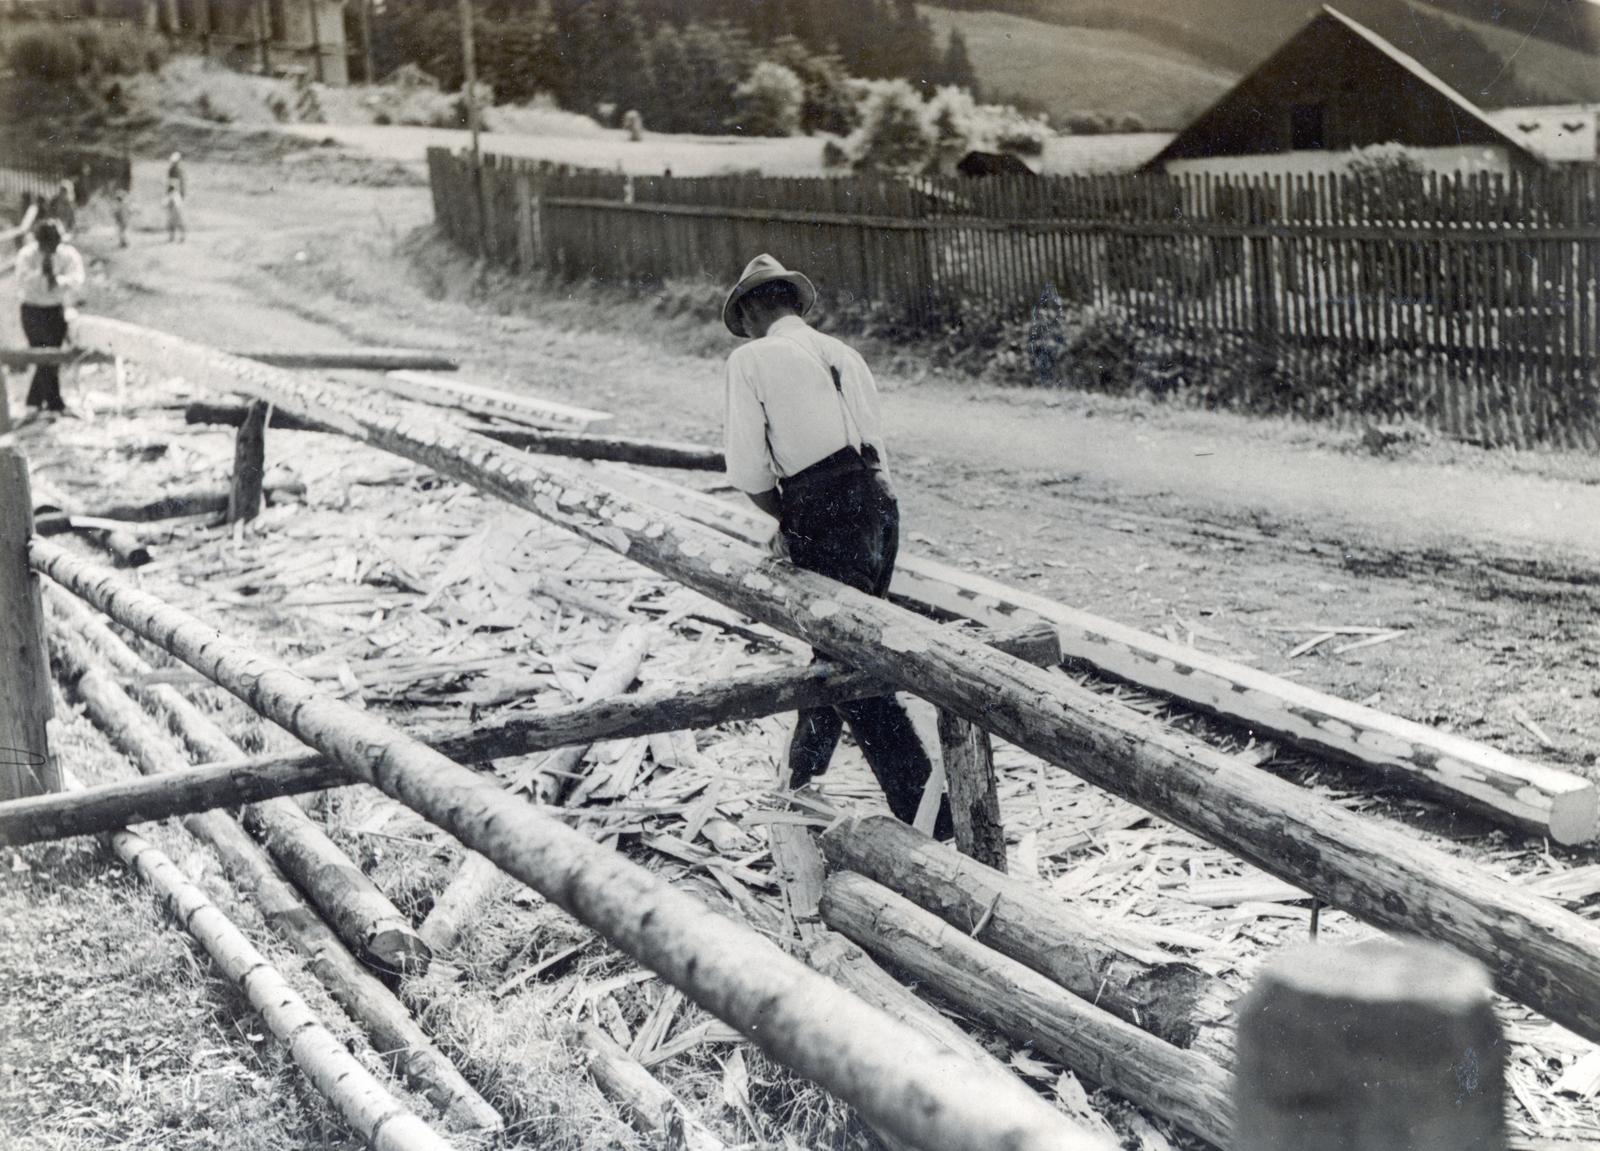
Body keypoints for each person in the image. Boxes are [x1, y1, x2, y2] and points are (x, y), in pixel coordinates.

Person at [721, 253, 952, 838]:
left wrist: (790, 519)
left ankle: (928, 811)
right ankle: (799, 781)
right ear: (793, 302)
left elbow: (748, 469)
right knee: (838, 650)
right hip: (880, 507)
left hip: (825, 509)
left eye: (742, 318)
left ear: (752, 309)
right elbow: (873, 458)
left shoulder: (750, 359)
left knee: (847, 658)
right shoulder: (844, 353)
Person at [16, 220, 86, 414]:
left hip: (55, 310)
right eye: (47, 243)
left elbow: (76, 279)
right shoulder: (27, 255)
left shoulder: (68, 255)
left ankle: (36, 402)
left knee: (52, 355)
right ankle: (53, 402)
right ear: (39, 241)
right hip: (32, 310)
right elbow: (23, 281)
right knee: (41, 353)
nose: (51, 248)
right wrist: (43, 273)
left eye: (55, 242)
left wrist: (57, 279)